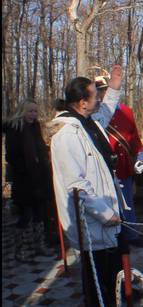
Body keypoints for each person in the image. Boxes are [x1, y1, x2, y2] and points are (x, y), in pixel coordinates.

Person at [48, 65, 126, 306]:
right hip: (94, 222)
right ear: (82, 102)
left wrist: (114, 87)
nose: (99, 98)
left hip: (107, 216)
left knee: (112, 275)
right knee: (96, 282)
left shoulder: (88, 122)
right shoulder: (67, 135)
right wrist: (106, 214)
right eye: (95, 94)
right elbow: (76, 185)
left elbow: (108, 111)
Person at [95, 75, 143, 247]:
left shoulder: (127, 111)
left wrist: (139, 158)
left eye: (106, 90)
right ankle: (114, 237)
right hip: (105, 166)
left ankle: (131, 235)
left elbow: (134, 139)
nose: (104, 94)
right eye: (101, 91)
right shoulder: (95, 115)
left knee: (127, 202)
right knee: (109, 204)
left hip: (125, 165)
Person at [3, 99, 54, 262]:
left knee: (40, 213)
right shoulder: (15, 128)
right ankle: (19, 250)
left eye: (35, 111)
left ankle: (39, 245)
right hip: (24, 178)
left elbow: (39, 148)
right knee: (26, 214)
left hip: (39, 177)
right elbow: (11, 155)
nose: (33, 114)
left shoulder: (35, 127)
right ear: (22, 111)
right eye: (30, 111)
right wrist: (24, 168)